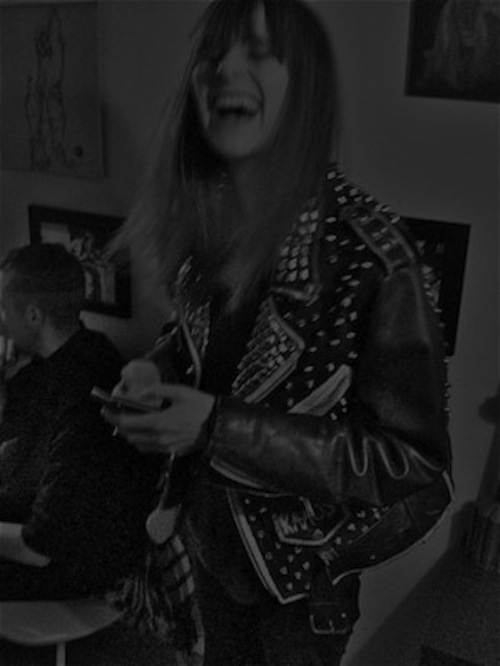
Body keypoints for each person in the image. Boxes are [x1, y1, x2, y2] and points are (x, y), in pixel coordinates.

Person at [103, 0, 453, 664]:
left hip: (298, 593)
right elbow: (206, 346)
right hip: (209, 553)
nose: (224, 70)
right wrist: (157, 367)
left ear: (306, 89)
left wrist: (215, 427)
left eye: (259, 53)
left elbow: (410, 461)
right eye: (212, 55)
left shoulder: (376, 257)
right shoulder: (211, 226)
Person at [0, 242, 159, 601]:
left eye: (3, 310)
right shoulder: (48, 362)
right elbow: (10, 462)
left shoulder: (89, 394)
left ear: (33, 316)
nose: (0, 321)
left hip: (75, 562)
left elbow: (41, 546)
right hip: (33, 519)